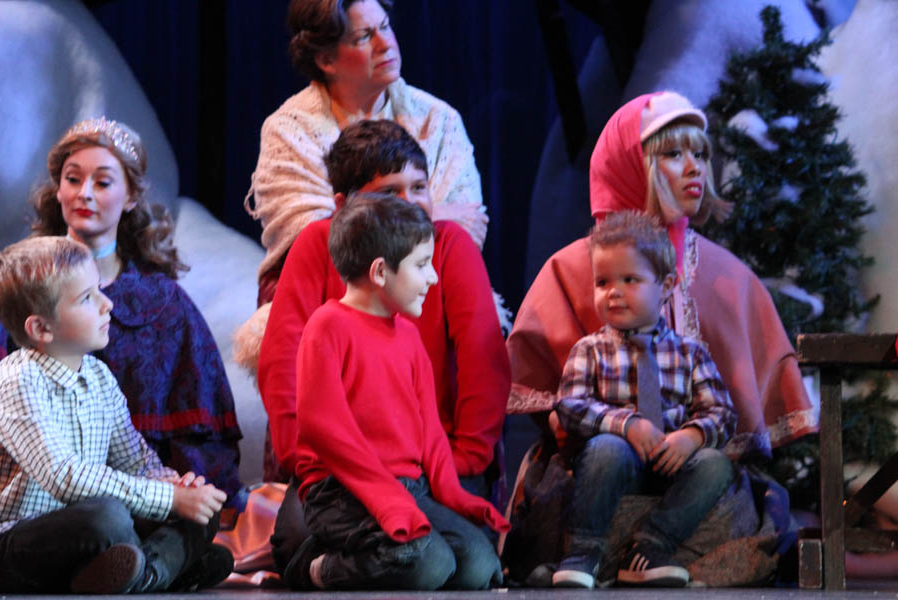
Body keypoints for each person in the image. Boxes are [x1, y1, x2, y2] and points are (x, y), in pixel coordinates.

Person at [507, 91, 816, 462]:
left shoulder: (731, 278)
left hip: (698, 469)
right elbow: (546, 397)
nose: (695, 168)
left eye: (699, 154)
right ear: (630, 164)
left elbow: (735, 408)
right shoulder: (570, 270)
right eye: (673, 154)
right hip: (595, 470)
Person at [6, 117, 246, 511]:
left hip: (147, 498)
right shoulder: (23, 290)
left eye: (102, 182)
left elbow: (193, 441)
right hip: (44, 500)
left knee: (194, 530)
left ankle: (150, 561)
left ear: (131, 195)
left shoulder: (165, 305)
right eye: (72, 179)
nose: (85, 193)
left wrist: (181, 489)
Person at [258, 119, 509, 487]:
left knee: (456, 541)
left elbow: (482, 357)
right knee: (299, 538)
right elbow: (283, 358)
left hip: (433, 461)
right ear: (344, 205)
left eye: (419, 187)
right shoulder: (316, 244)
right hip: (336, 465)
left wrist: (466, 458)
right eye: (391, 193)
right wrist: (305, 459)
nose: (411, 203)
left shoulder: (449, 245)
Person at [279, 194, 508, 590]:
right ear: (380, 272)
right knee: (428, 563)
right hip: (341, 490)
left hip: (407, 488)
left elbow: (430, 431)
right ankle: (315, 567)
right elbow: (324, 428)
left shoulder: (407, 334)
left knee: (478, 566)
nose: (433, 278)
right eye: (422, 265)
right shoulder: (328, 326)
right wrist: (385, 498)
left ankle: (371, 550)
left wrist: (453, 494)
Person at [0, 236, 232, 594]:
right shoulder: (17, 380)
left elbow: (136, 461)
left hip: (96, 531)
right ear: (41, 329)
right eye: (87, 298)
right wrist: (168, 499)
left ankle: (137, 573)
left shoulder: (98, 377)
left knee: (203, 513)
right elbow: (65, 477)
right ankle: (162, 569)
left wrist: (174, 485)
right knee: (108, 517)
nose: (107, 304)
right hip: (24, 537)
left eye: (99, 290)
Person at [244, 0, 487, 306]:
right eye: (363, 37)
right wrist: (431, 214)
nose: (386, 44)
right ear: (326, 60)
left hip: (432, 291)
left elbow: (466, 233)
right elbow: (314, 244)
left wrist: (366, 221)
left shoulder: (439, 120)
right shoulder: (289, 130)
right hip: (324, 299)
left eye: (385, 27)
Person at [550, 211, 736, 589]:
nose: (613, 291)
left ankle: (649, 547)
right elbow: (570, 405)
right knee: (607, 448)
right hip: (614, 467)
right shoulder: (591, 350)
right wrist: (627, 424)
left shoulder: (689, 353)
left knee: (715, 465)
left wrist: (692, 437)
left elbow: (722, 413)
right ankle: (584, 551)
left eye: (629, 280)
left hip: (670, 465)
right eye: (602, 282)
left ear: (666, 285)